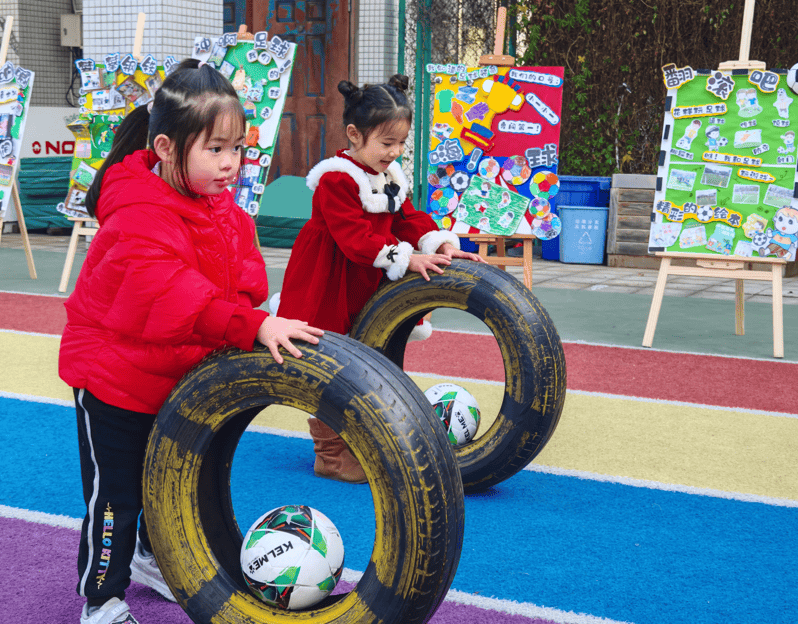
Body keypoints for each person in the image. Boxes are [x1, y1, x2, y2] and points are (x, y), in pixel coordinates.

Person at [59, 59, 324, 624]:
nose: (231, 163)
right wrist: (250, 325)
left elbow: (245, 280)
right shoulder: (137, 214)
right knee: (117, 496)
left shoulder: (223, 209)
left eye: (238, 148)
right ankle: (101, 599)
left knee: (175, 477)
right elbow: (173, 296)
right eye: (216, 149)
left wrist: (256, 314)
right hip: (116, 380)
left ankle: (153, 556)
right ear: (165, 147)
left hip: (177, 375)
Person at [277, 74, 484, 484]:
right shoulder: (337, 179)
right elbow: (354, 239)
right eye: (388, 142)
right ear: (355, 135)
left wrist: (439, 242)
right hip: (332, 277)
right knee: (332, 360)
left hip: (367, 275)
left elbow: (407, 218)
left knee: (370, 353)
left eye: (402, 142)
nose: (396, 152)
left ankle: (361, 436)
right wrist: (407, 258)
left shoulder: (389, 176)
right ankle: (330, 454)